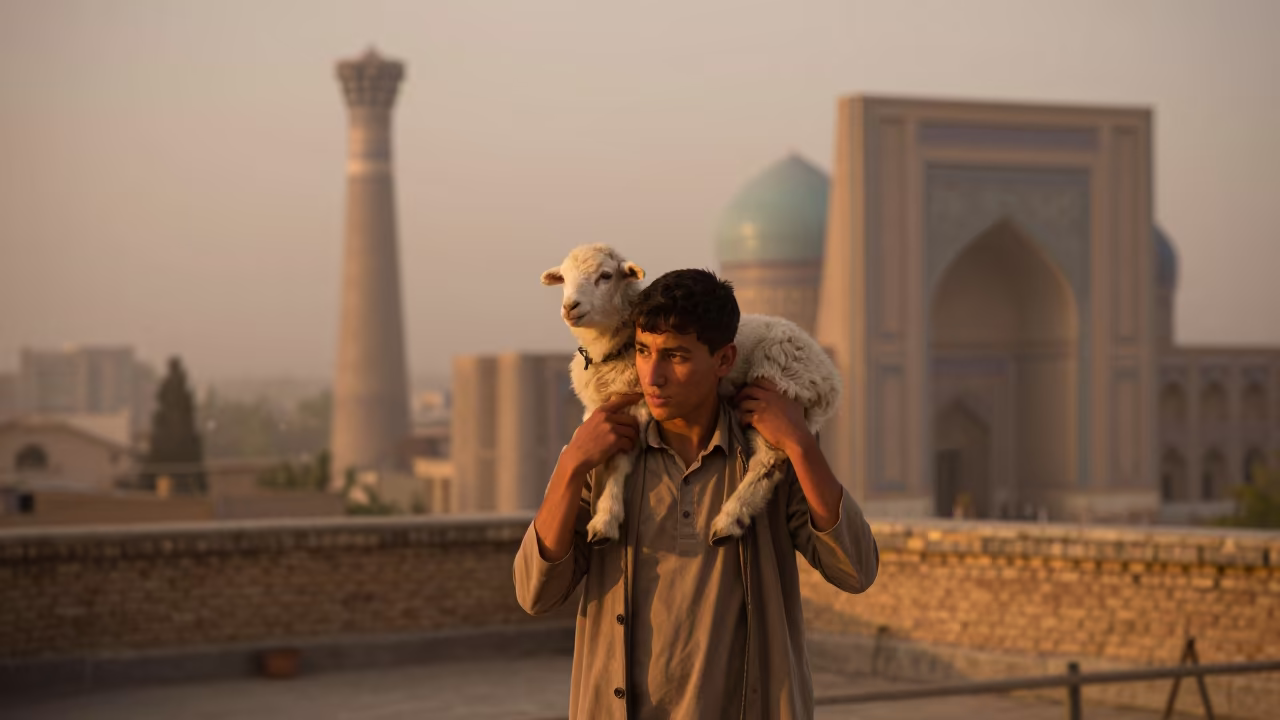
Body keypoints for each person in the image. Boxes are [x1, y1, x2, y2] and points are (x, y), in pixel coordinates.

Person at [514, 269, 879, 719]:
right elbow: (535, 592)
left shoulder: (768, 458)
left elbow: (856, 569)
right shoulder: (611, 455)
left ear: (724, 360)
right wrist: (570, 465)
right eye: (644, 351)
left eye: (676, 356)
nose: (654, 374)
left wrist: (801, 443)